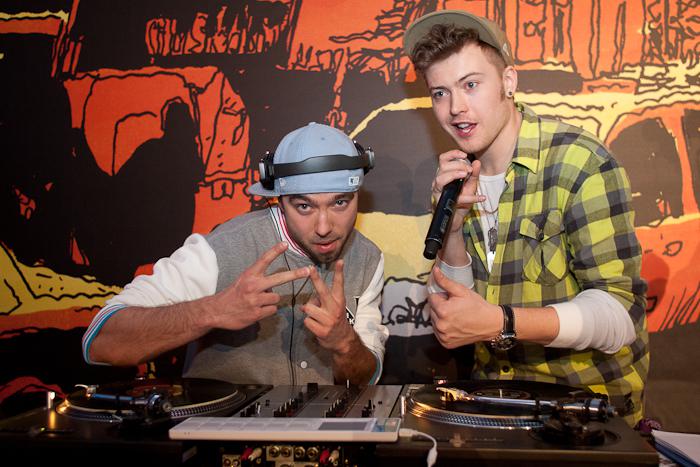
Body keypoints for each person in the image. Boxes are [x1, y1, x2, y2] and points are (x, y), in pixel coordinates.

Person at [403, 10, 649, 426]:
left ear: (508, 82)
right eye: (440, 93)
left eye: (470, 85)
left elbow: (618, 316)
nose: (456, 108)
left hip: (587, 414)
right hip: (493, 405)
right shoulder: (456, 177)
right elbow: (461, 312)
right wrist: (454, 229)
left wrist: (503, 322)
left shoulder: (580, 162)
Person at [82, 122, 388, 386]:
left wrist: (344, 343)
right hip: (220, 432)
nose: (324, 227)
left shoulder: (368, 259)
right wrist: (214, 310)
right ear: (279, 201)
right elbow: (100, 343)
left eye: (340, 203)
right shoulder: (220, 250)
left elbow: (365, 377)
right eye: (304, 206)